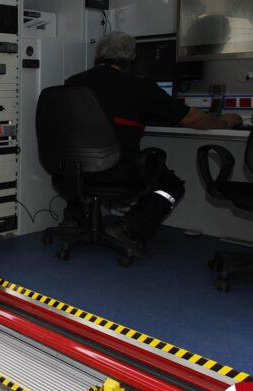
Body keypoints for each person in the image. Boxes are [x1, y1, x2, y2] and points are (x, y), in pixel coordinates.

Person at [64, 31, 242, 253]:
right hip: (118, 171)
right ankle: (129, 228)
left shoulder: (72, 83)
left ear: (98, 56)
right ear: (132, 59)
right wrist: (222, 122)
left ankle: (73, 219)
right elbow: (192, 119)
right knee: (172, 185)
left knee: (83, 155)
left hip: (73, 171)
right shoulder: (140, 87)